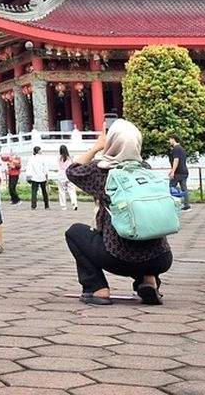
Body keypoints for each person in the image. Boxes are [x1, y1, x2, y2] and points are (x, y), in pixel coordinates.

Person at [64, 119, 173, 306]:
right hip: (161, 259)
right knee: (144, 229)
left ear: (112, 142)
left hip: (118, 257)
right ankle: (149, 281)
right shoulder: (146, 170)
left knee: (74, 232)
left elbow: (72, 171)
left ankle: (97, 288)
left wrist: (97, 147)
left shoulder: (101, 171)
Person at [167, 135, 191, 211]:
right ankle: (186, 205)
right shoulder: (181, 149)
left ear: (173, 139)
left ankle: (172, 204)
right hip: (184, 171)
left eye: (170, 140)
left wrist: (173, 172)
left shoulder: (176, 149)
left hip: (178, 172)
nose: (169, 141)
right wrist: (172, 170)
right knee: (184, 188)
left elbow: (176, 160)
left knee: (171, 187)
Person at [55, 144, 78, 211]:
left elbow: (58, 166)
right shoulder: (70, 157)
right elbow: (74, 164)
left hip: (61, 175)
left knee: (62, 191)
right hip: (69, 175)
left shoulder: (58, 157)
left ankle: (63, 206)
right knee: (72, 190)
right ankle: (74, 204)